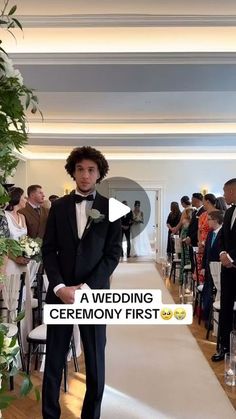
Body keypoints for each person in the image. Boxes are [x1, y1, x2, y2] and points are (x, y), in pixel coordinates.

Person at [42, 146, 122, 419]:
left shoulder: (112, 208)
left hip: (94, 294)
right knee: (53, 360)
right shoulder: (58, 206)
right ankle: (50, 415)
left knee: (96, 360)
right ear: (72, 172)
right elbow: (48, 250)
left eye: (91, 170)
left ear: (99, 174)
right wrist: (59, 287)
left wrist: (87, 288)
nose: (85, 175)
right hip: (60, 293)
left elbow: (113, 254)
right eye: (80, 169)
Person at [212, 178, 236, 362]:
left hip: (233, 263)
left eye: (225, 191)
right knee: (226, 308)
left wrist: (232, 256)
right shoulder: (228, 213)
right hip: (227, 270)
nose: (224, 194)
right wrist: (222, 252)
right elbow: (222, 237)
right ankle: (224, 347)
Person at [201, 210, 224, 328]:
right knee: (208, 291)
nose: (207, 222)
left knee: (215, 293)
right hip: (209, 268)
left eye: (209, 219)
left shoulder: (223, 233)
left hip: (219, 269)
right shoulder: (210, 233)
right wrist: (203, 267)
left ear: (216, 220)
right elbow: (206, 252)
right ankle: (206, 316)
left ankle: (213, 320)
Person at [4, 187, 30, 273]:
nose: (26, 200)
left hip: (22, 261)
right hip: (8, 261)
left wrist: (29, 251)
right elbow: (3, 243)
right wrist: (15, 258)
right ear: (17, 197)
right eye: (24, 197)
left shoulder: (22, 217)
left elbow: (24, 239)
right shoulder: (4, 216)